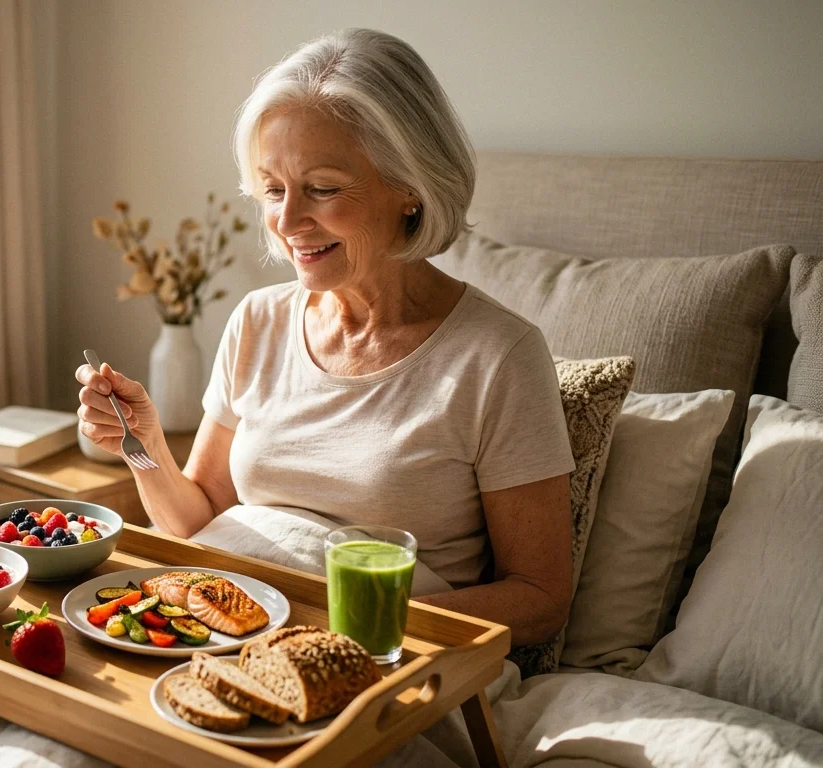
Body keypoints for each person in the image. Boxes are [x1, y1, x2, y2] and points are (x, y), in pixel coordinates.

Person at [75, 29, 574, 647]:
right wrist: (142, 444)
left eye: (323, 188)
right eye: (273, 190)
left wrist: (335, 627)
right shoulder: (257, 321)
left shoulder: (498, 357)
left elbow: (540, 598)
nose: (286, 222)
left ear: (411, 188)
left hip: (378, 660)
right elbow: (197, 519)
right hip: (221, 633)